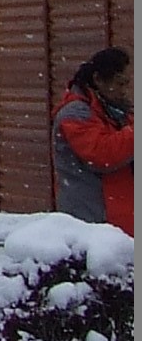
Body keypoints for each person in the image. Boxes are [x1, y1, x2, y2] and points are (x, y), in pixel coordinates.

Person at [52, 46, 133, 236]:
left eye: (126, 83)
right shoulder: (75, 114)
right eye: (119, 83)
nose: (124, 90)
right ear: (98, 79)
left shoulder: (116, 110)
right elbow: (102, 154)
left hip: (117, 218)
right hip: (91, 222)